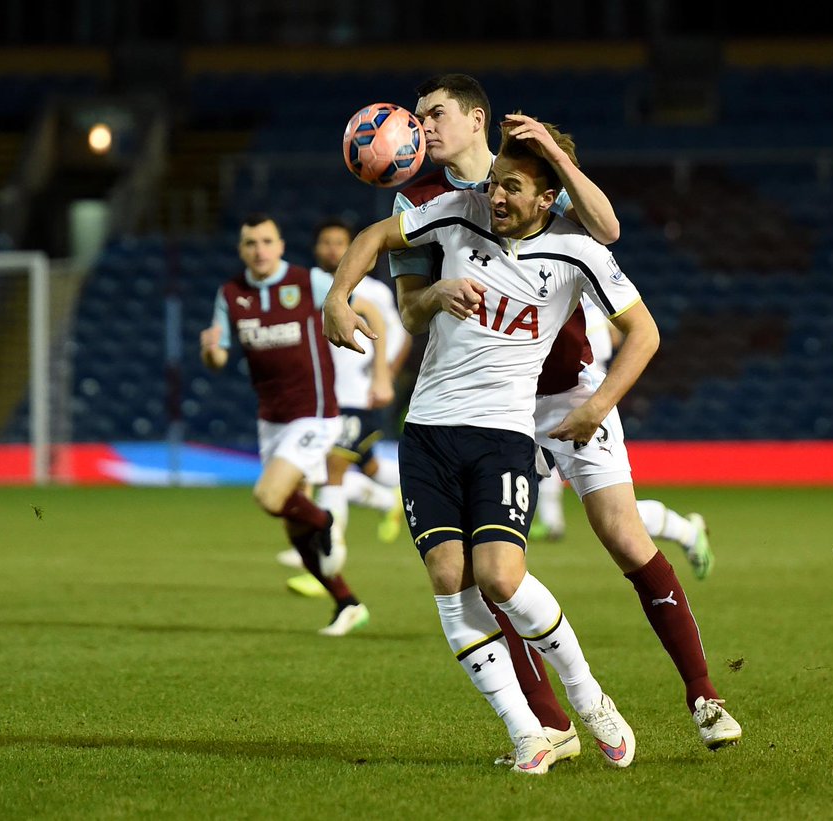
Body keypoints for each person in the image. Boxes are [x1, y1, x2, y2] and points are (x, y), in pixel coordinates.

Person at [388, 74, 741, 760]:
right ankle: (550, 720)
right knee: (490, 571)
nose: (423, 125)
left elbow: (607, 229)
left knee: (621, 532)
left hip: (568, 392)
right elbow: (407, 312)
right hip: (483, 407)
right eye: (418, 117)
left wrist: (555, 149)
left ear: (475, 119)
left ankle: (704, 694)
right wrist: (435, 292)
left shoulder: (526, 177)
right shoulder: (420, 201)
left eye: (435, 114)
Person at [325, 118, 641, 775]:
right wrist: (338, 295)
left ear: (548, 194)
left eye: (513, 187)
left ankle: (589, 697)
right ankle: (528, 732)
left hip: (502, 433)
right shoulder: (460, 210)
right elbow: (377, 235)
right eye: (495, 183)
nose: (495, 197)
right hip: (429, 430)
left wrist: (596, 405)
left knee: (499, 575)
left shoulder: (578, 250)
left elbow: (644, 332)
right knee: (449, 577)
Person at [200, 212, 393, 636]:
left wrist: (380, 371)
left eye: (267, 241)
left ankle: (327, 521)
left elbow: (373, 318)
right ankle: (347, 603)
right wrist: (210, 351)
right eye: (251, 244)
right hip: (271, 419)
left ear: (281, 246)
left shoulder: (310, 283)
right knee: (293, 528)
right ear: (242, 250)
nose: (260, 250)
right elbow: (219, 356)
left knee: (271, 496)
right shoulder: (231, 294)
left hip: (316, 412)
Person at [532, 296, 715, 582]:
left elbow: (626, 333)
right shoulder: (561, 288)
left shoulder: (582, 286)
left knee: (618, 517)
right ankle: (547, 524)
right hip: (536, 398)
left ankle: (687, 531)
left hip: (583, 400)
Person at [281, 218, 410, 597]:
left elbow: (396, 335)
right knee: (363, 467)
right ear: (317, 247)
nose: (334, 249)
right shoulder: (311, 288)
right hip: (323, 399)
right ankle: (395, 496)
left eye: (341, 242)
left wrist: (383, 378)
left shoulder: (371, 293)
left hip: (358, 395)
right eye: (327, 242)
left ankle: (327, 558)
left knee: (332, 468)